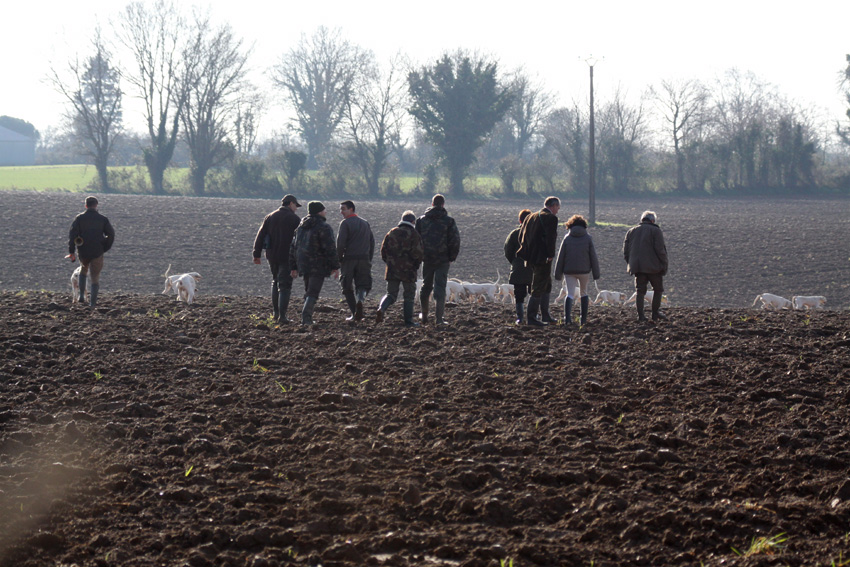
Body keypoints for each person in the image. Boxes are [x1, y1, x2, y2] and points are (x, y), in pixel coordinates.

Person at [252, 194, 301, 322]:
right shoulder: (295, 219)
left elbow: (260, 235)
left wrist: (256, 254)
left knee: (275, 281)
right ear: (290, 204)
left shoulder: (270, 216)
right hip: (288, 257)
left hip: (272, 256)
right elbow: (299, 241)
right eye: (296, 205)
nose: (296, 208)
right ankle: (282, 316)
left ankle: (275, 313)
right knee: (285, 286)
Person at [289, 201, 340, 325]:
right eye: (324, 210)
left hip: (303, 263)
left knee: (309, 290)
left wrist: (293, 266)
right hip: (318, 264)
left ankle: (307, 318)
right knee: (313, 292)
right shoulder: (324, 227)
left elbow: (293, 247)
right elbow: (330, 248)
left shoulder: (301, 227)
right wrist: (335, 266)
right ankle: (306, 318)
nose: (325, 212)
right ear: (319, 211)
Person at [415, 194, 460, 326]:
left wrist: (419, 256)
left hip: (427, 259)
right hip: (443, 259)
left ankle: (424, 315)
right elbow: (455, 240)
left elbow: (416, 240)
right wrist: (452, 257)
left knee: (426, 286)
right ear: (443, 204)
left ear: (432, 204)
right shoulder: (449, 221)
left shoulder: (421, 220)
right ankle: (439, 319)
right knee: (440, 287)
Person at [516, 196, 560, 326]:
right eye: (558, 207)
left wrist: (528, 251)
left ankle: (545, 315)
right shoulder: (551, 218)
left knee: (546, 285)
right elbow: (551, 238)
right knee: (538, 286)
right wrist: (550, 254)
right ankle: (532, 318)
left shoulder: (530, 217)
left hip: (531, 257)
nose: (558, 210)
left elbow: (521, 236)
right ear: (553, 206)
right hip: (543, 258)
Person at [376, 211, 424, 327]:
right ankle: (408, 321)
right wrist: (415, 265)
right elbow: (419, 253)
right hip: (409, 271)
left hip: (392, 269)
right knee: (409, 296)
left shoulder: (392, 233)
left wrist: (390, 263)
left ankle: (381, 309)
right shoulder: (414, 234)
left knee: (391, 294)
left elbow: (383, 251)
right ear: (413, 222)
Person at [67, 196, 115, 308]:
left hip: (83, 250)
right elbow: (111, 234)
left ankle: (81, 297)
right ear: (96, 205)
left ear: (86, 205)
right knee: (95, 277)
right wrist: (105, 247)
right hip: (98, 251)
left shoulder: (79, 218)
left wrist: (71, 251)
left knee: (83, 270)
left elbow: (72, 235)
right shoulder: (103, 219)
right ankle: (92, 303)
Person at [554, 214, 600, 327]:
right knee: (584, 293)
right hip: (584, 271)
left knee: (569, 294)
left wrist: (557, 274)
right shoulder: (588, 238)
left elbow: (561, 256)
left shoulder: (567, 238)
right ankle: (583, 320)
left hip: (569, 271)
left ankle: (567, 319)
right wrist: (596, 273)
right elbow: (593, 256)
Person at [623, 210, 668, 322]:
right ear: (652, 220)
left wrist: (631, 263)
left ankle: (641, 316)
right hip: (654, 268)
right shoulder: (656, 231)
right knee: (658, 289)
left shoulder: (631, 231)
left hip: (638, 267)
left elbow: (626, 251)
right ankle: (655, 313)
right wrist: (664, 264)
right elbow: (660, 250)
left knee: (640, 291)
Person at [337, 200, 375, 322]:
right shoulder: (365, 223)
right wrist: (368, 257)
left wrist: (339, 260)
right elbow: (372, 242)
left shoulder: (345, 223)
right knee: (363, 285)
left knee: (346, 286)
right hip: (364, 259)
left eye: (343, 209)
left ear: (351, 209)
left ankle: (355, 313)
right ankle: (360, 299)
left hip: (349, 260)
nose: (341, 212)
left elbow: (340, 244)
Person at [504, 209, 533, 325]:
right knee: (534, 293)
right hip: (533, 268)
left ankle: (520, 318)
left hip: (518, 268)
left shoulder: (514, 234)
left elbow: (507, 250)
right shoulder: (537, 233)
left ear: (520, 220)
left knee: (519, 295)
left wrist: (514, 262)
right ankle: (533, 316)